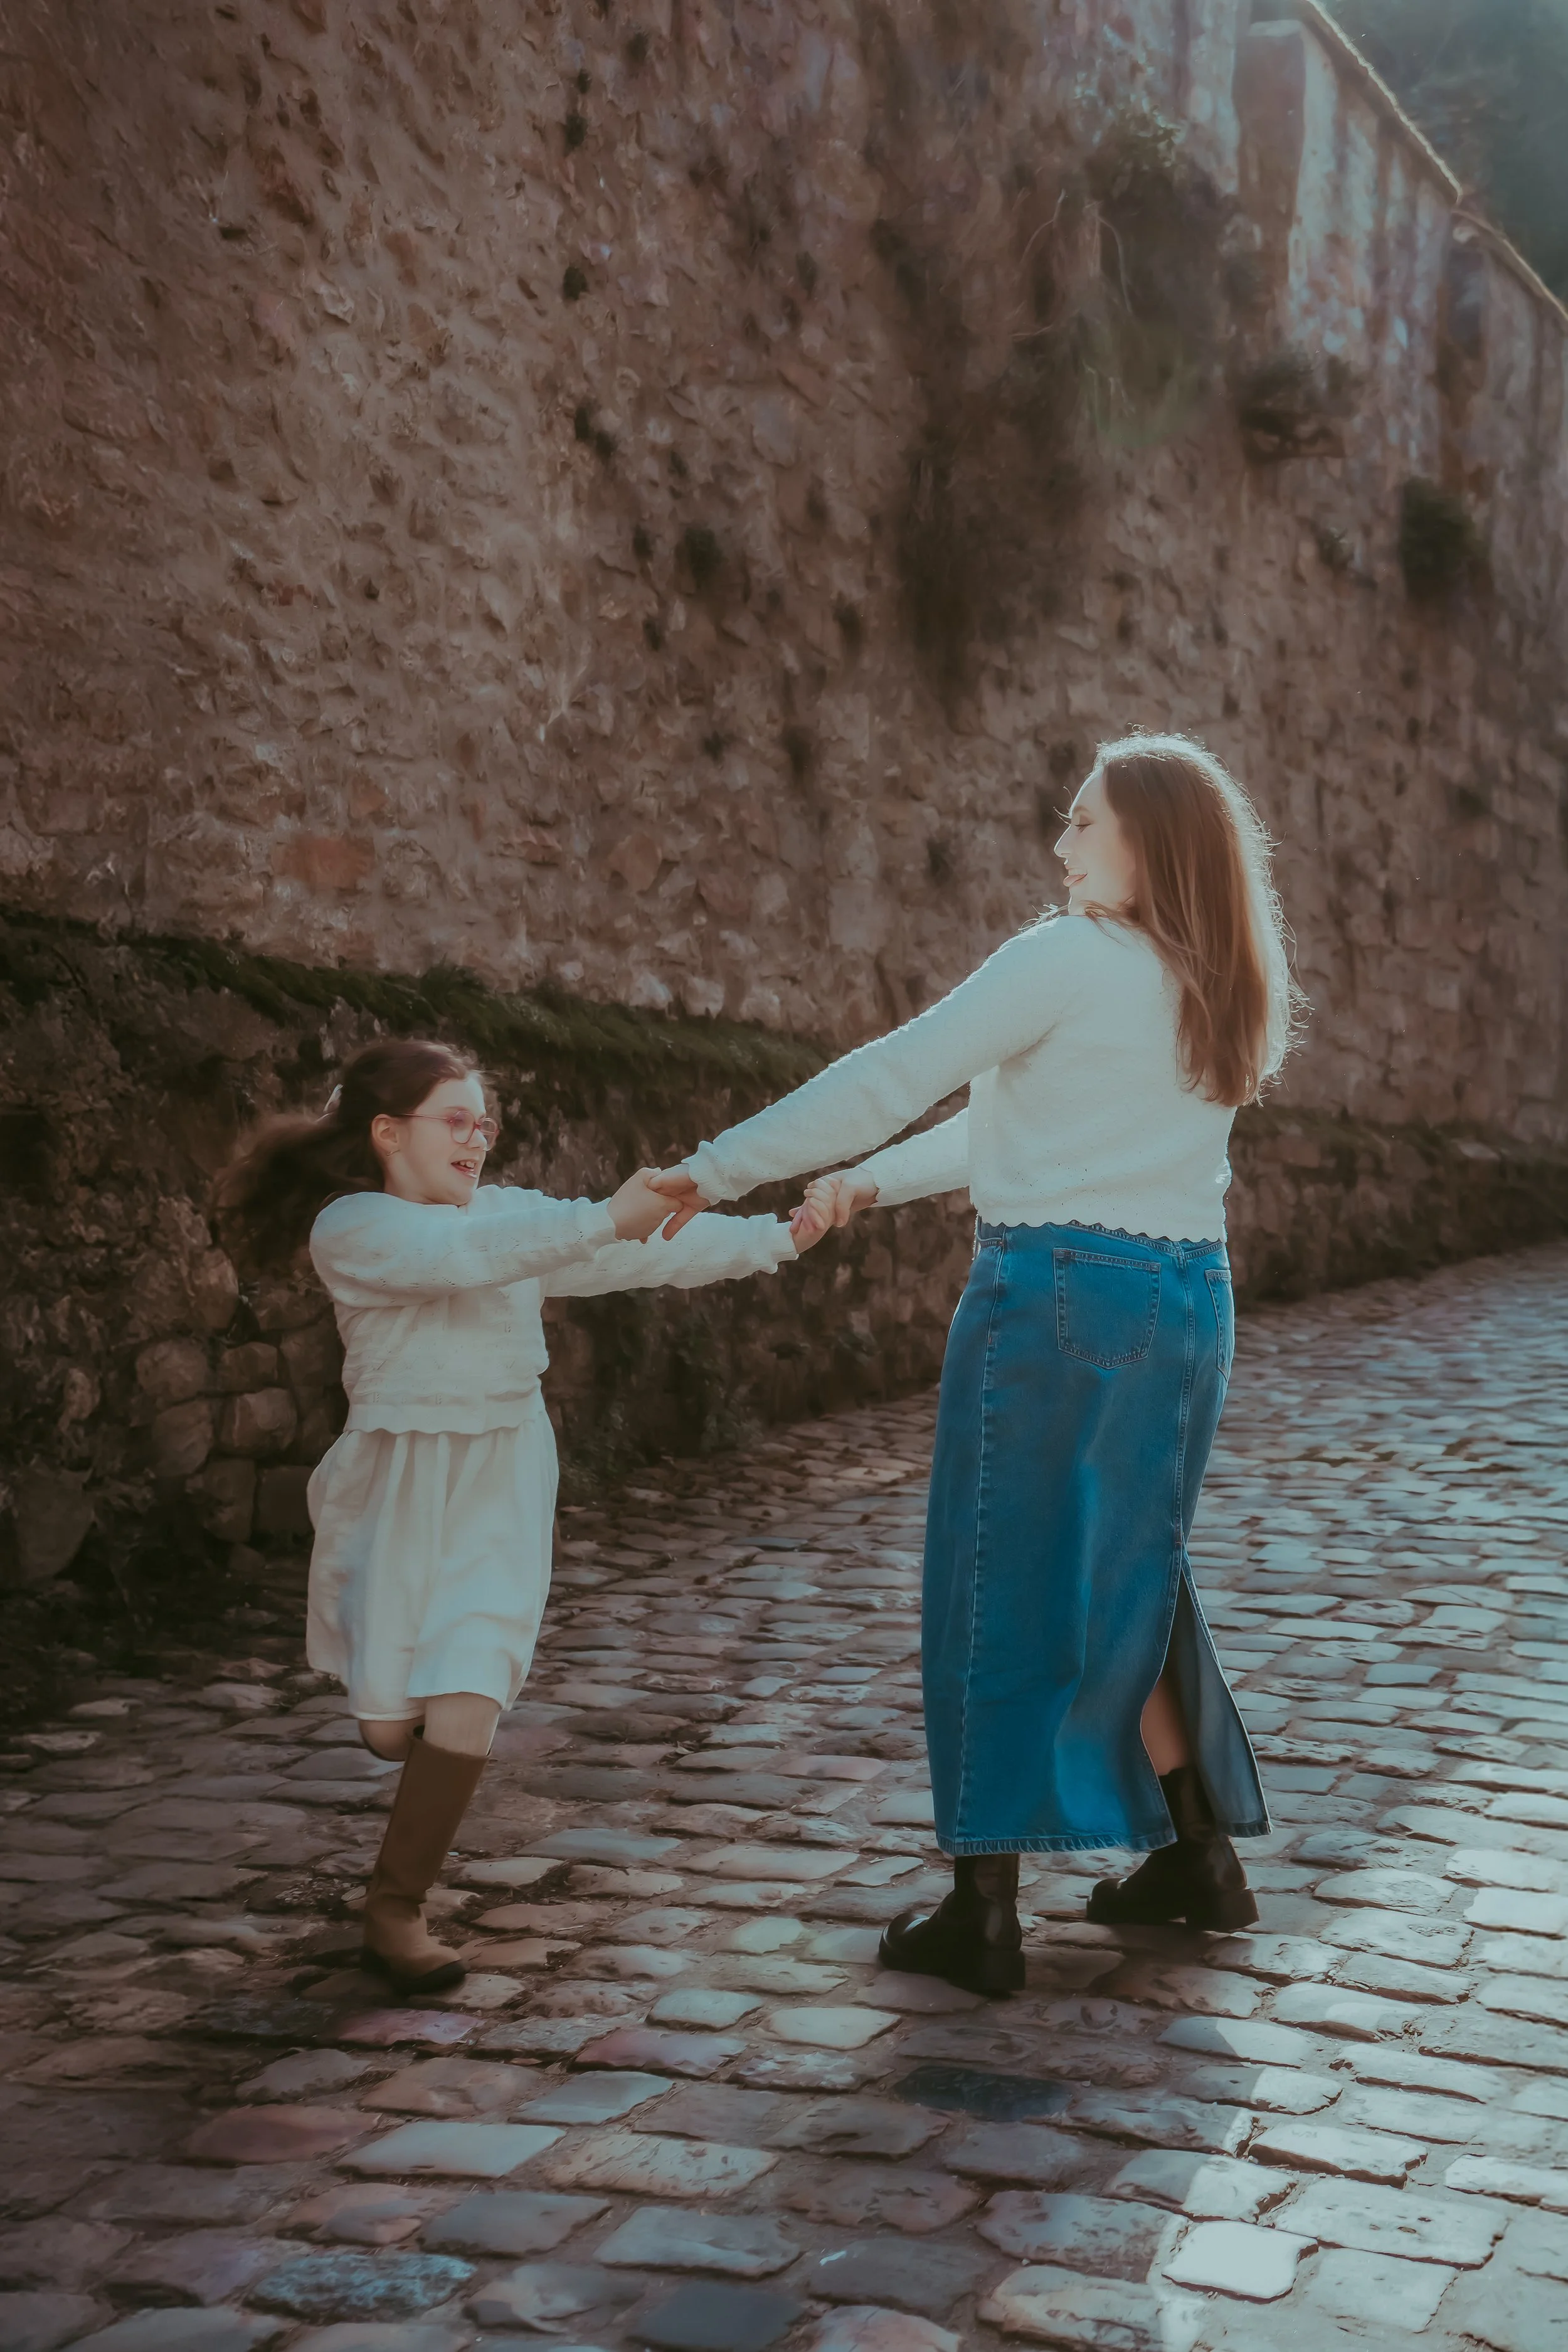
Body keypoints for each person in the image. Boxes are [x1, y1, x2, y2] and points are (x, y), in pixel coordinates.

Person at [655, 733, 1301, 1993]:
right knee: (1134, 1572)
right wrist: (868, 1183)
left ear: (1146, 843)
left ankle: (981, 1913)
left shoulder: (1066, 957)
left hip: (1058, 1292)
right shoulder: (1211, 981)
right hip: (1185, 1304)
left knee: (997, 1571)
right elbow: (1019, 1122)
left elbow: (896, 1072)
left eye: (1079, 824)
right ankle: (1198, 1859)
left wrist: (715, 1168)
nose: (1057, 848)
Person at [216, 1037, 828, 1994]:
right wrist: (599, 1217)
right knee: (389, 1726)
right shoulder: (355, 1227)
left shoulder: (509, 1217)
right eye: (455, 1121)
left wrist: (773, 1239)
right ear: (388, 1132)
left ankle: (395, 1906)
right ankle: (403, 1761)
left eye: (484, 1123)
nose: (477, 1140)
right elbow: (464, 1256)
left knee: (470, 1687)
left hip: (503, 1472)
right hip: (400, 1484)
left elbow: (641, 1252)